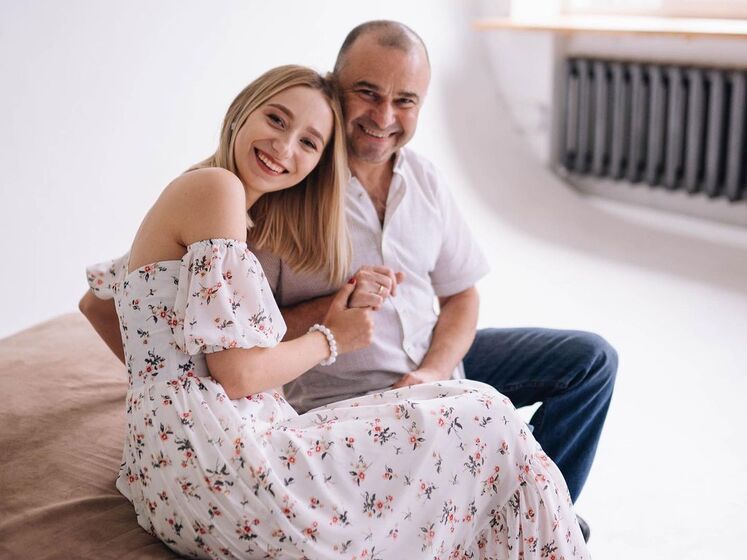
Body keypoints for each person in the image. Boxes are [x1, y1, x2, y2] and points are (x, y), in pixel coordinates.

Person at [80, 65, 589, 558]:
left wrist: (168, 395)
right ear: (241, 111)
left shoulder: (206, 195)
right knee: (486, 413)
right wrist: (332, 337)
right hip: (223, 470)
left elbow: (97, 302)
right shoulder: (219, 189)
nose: (284, 148)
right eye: (276, 119)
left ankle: (544, 517)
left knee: (480, 409)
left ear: (320, 163)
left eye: (308, 142)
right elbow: (238, 374)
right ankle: (553, 527)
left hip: (169, 467)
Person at [253, 21, 618, 528]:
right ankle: (524, 522)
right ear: (334, 85)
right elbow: (250, 335)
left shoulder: (423, 178)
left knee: (591, 360)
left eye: (404, 100)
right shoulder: (288, 189)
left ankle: (536, 518)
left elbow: (462, 295)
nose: (384, 117)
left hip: (438, 372)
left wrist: (434, 371)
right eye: (367, 93)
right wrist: (332, 310)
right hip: (355, 405)